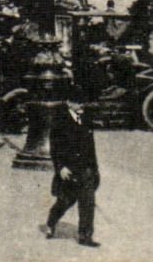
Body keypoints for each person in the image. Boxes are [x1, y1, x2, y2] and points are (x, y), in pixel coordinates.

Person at [44, 100, 101, 247]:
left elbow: (91, 146)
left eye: (83, 103)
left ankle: (85, 236)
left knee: (88, 202)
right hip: (68, 169)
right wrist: (60, 167)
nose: (82, 105)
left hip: (86, 168)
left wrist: (95, 169)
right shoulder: (60, 120)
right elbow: (54, 147)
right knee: (66, 200)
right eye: (78, 103)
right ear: (69, 103)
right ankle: (51, 221)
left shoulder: (86, 119)